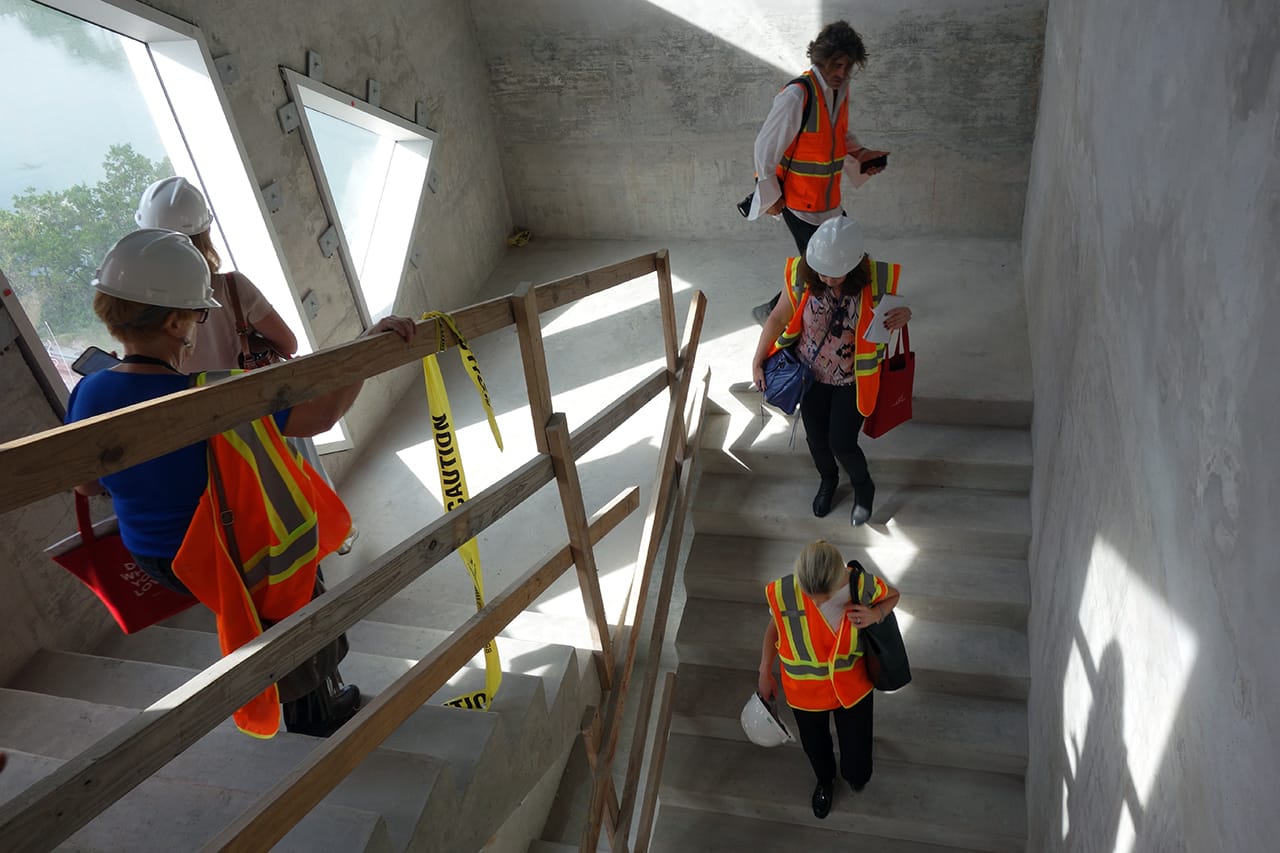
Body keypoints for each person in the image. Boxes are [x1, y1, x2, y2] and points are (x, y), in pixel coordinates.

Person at [66, 228, 417, 737]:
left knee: (247, 614)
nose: (196, 325)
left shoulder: (89, 391)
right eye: (195, 315)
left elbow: (86, 485)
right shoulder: (213, 397)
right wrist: (365, 350)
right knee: (289, 612)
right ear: (173, 322)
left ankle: (293, 687)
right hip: (227, 551)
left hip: (157, 555)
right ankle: (315, 712)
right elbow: (319, 416)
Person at [134, 176, 358, 555]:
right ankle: (329, 539)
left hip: (206, 432)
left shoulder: (144, 312)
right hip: (262, 410)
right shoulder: (232, 288)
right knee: (296, 478)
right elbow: (288, 344)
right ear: (205, 235)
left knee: (246, 511)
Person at [751, 216, 910, 526]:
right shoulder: (804, 274)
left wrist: (905, 314)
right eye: (821, 271)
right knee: (816, 439)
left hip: (852, 380)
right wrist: (758, 360)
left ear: (854, 266)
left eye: (834, 274)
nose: (825, 279)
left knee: (842, 443)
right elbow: (777, 318)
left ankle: (863, 487)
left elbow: (893, 315)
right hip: (810, 377)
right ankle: (828, 479)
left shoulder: (875, 282)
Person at [746, 20, 890, 324]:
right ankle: (776, 314)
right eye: (837, 64)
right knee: (820, 267)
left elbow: (838, 134)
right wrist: (769, 196)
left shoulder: (839, 92)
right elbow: (764, 148)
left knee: (835, 260)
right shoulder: (797, 95)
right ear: (821, 59)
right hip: (799, 205)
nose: (842, 72)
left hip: (829, 202)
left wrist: (862, 154)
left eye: (848, 66)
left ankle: (789, 311)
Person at [758, 540, 900, 819]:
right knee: (815, 746)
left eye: (824, 597)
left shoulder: (861, 585)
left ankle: (856, 775)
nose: (816, 603)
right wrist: (764, 670)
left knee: (858, 752)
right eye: (810, 596)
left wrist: (876, 614)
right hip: (804, 692)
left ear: (839, 578)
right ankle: (825, 781)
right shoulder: (783, 591)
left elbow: (893, 596)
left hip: (852, 688)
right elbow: (775, 628)